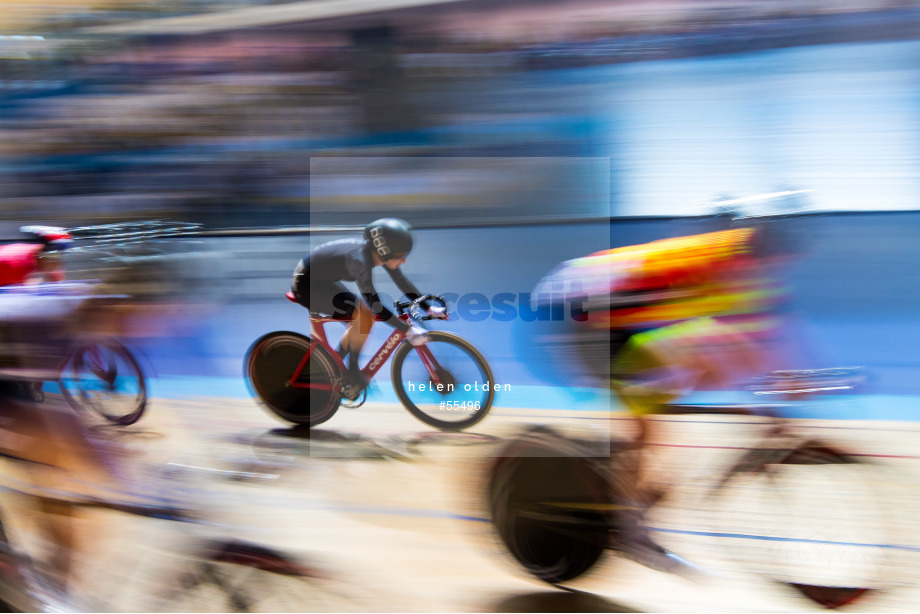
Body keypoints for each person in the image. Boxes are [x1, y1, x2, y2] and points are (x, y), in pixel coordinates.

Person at [546, 204, 804, 571]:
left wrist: (769, 397)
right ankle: (629, 524)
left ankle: (621, 475)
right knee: (653, 415)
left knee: (688, 371)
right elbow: (750, 343)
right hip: (580, 315)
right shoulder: (725, 260)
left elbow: (765, 340)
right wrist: (767, 405)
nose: (777, 269)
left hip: (602, 313)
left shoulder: (734, 262)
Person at [290, 218, 445, 398]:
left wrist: (427, 307)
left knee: (363, 319)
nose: (404, 260)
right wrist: (407, 330)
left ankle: (334, 367)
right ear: (385, 252)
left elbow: (401, 281)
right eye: (401, 255)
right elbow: (376, 306)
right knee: (364, 316)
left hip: (319, 279)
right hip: (306, 285)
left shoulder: (378, 253)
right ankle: (353, 373)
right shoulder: (360, 262)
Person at [0, 225, 74, 287]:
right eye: (52, 258)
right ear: (40, 255)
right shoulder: (16, 264)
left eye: (58, 257)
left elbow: (58, 287)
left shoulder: (47, 261)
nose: (57, 264)